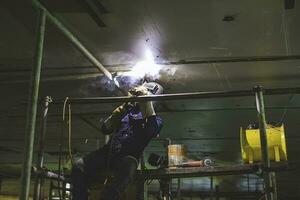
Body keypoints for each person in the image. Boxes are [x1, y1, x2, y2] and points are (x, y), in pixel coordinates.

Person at [71, 82, 164, 200]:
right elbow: (105, 129)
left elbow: (151, 130)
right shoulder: (126, 111)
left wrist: (145, 99)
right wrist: (123, 108)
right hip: (107, 153)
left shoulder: (156, 120)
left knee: (129, 165)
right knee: (78, 166)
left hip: (127, 157)